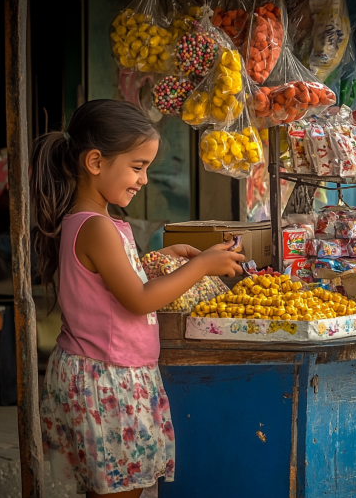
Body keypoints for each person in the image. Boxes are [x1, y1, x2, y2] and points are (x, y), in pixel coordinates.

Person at [31, 99, 244, 498]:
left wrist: (163, 258)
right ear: (95, 162)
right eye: (137, 166)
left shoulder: (101, 222)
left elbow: (110, 286)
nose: (144, 179)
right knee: (120, 492)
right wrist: (201, 266)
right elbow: (139, 299)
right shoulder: (96, 227)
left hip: (109, 373)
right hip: (106, 378)